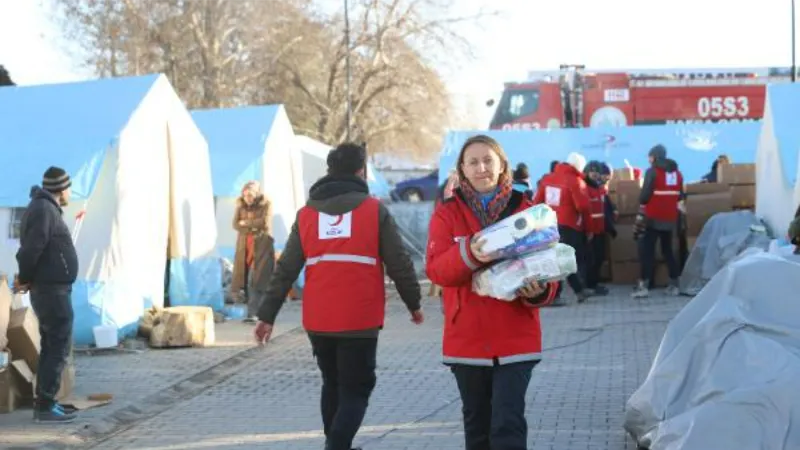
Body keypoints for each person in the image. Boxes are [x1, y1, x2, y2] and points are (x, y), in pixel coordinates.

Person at [253, 142, 424, 450]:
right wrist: (413, 303)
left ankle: (337, 443)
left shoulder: (306, 214)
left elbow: (286, 269)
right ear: (361, 171)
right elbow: (398, 261)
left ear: (328, 171)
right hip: (360, 317)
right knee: (357, 389)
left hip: (319, 319)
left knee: (332, 384)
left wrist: (267, 315)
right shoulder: (374, 210)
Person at [426, 134, 559, 450]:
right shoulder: (447, 214)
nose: (481, 168)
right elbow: (437, 271)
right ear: (461, 169)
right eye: (473, 162)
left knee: (507, 424)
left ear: (502, 167)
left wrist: (539, 291)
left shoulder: (528, 212)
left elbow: (550, 270)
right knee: (478, 427)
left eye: (488, 160)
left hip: (515, 338)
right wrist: (472, 253)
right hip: (466, 340)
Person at [14, 167, 79, 423]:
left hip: (52, 288)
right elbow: (31, 249)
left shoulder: (44, 208)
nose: (70, 193)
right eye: (69, 188)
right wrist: (26, 276)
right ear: (62, 189)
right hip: (51, 290)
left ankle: (47, 401)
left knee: (53, 345)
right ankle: (45, 406)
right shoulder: (44, 209)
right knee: (57, 345)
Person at [533, 152, 592, 304]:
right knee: (564, 259)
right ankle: (562, 294)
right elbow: (582, 206)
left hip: (549, 225)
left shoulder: (547, 179)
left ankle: (575, 290)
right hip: (569, 226)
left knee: (557, 258)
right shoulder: (576, 181)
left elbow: (537, 202)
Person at [632, 144, 684, 298]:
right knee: (668, 251)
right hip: (670, 218)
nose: (649, 159)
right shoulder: (678, 174)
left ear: (654, 157)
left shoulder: (652, 172)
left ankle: (644, 285)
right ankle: (674, 284)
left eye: (650, 156)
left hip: (652, 218)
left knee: (647, 251)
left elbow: (644, 196)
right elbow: (680, 195)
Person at [229, 181, 275, 323]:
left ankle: (254, 314)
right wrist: (253, 225)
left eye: (250, 195)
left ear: (256, 194)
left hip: (261, 246)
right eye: (245, 195)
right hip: (245, 247)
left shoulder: (266, 204)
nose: (247, 198)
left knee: (256, 280)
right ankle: (253, 313)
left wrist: (247, 223)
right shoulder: (241, 206)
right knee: (245, 280)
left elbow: (265, 223)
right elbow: (236, 224)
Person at [583, 161, 609, 296]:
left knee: (599, 257)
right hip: (590, 231)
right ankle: (589, 285)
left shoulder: (600, 188)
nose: (594, 174)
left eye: (597, 172)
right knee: (591, 259)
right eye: (592, 171)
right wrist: (588, 230)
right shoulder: (584, 188)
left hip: (600, 229)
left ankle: (595, 283)